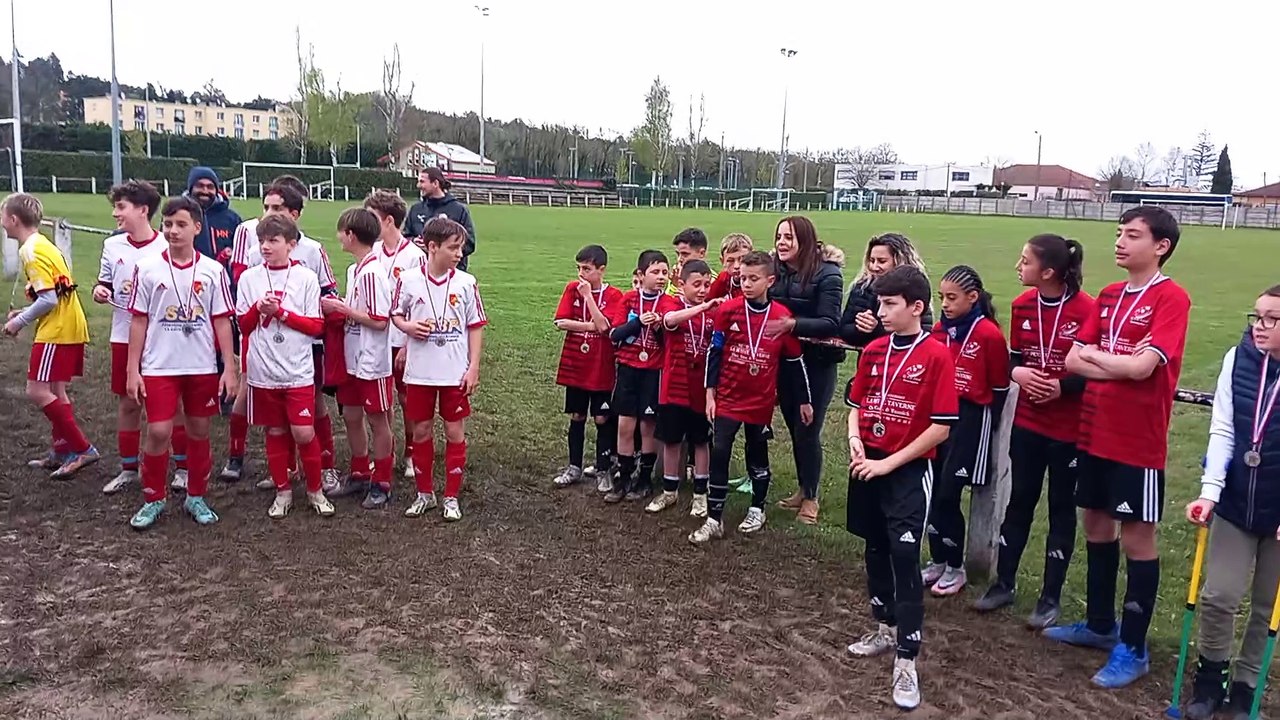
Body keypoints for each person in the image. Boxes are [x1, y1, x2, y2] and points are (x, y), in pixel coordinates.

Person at [1046, 206, 1192, 689]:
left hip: (1137, 440)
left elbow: (1143, 370)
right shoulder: (1107, 295)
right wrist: (1115, 361)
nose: (1120, 242)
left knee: (1136, 537)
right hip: (1093, 431)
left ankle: (1133, 647)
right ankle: (1100, 625)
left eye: (1132, 235)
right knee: (1095, 523)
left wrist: (1103, 360)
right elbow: (1072, 359)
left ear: (1161, 246)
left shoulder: (1172, 298)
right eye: (1118, 233)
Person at [843, 265, 958, 711]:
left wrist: (887, 462)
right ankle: (884, 627)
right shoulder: (872, 350)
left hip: (906, 471)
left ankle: (907, 659)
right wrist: (855, 439)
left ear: (917, 307)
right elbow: (856, 405)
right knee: (874, 548)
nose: (881, 311)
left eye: (890, 304)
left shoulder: (936, 355)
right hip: (867, 463)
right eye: (879, 302)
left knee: (905, 556)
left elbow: (942, 427)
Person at [975, 234, 1093, 627]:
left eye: (1024, 261)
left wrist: (1062, 386)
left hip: (1069, 426)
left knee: (1061, 507)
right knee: (1020, 499)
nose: (1017, 267)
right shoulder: (1022, 304)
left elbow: (1092, 369)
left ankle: (1050, 597)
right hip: (1028, 421)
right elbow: (1015, 358)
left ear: (1048, 271)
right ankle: (1003, 583)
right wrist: (1019, 373)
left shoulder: (1087, 309)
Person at [1181, 286, 1280, 720]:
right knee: (1219, 594)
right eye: (1257, 316)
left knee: (1266, 607)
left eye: (1272, 319)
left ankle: (1246, 684)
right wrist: (1209, 490)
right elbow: (1223, 428)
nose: (1260, 327)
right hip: (1238, 499)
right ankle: (1210, 679)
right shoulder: (1236, 359)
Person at [123, 196, 239, 529]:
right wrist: (133, 370)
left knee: (199, 430)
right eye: (168, 224)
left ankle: (196, 495)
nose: (173, 231)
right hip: (159, 366)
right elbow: (139, 321)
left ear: (197, 228)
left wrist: (229, 368)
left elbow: (221, 321)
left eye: (181, 225)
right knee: (159, 430)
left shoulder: (213, 270)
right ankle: (153, 497)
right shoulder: (147, 269)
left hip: (201, 366)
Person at [222, 182, 340, 492]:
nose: (269, 214)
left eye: (277, 208)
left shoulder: (312, 250)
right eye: (266, 208)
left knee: (312, 406)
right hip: (263, 344)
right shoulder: (253, 251)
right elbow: (244, 298)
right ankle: (285, 471)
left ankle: (325, 467)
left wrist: (298, 311)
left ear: (294, 215)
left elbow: (328, 292)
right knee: (265, 407)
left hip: (305, 345)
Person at [690, 251, 812, 544]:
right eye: (742, 278)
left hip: (760, 400)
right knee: (719, 451)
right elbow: (714, 352)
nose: (745, 283)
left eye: (753, 279)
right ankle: (714, 518)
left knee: (757, 452)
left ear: (770, 280)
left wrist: (805, 400)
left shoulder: (783, 317)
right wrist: (710, 394)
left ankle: (757, 508)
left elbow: (796, 362)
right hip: (728, 397)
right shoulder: (728, 311)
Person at [235, 213, 333, 519]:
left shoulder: (305, 278)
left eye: (273, 241)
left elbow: (317, 326)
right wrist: (257, 309)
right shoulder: (249, 278)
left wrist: (282, 314)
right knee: (275, 430)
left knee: (303, 432)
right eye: (262, 241)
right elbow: (243, 325)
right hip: (264, 371)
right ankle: (283, 491)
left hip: (298, 371)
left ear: (291, 245)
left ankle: (315, 490)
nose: (265, 246)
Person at [921, 265, 1010, 597]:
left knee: (948, 493)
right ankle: (939, 559)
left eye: (952, 297)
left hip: (970, 421)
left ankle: (956, 566)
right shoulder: (941, 331)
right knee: (932, 493)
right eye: (942, 296)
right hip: (938, 417)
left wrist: (990, 425)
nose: (944, 303)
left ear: (973, 298)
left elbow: (999, 386)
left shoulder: (988, 334)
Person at [392, 217, 487, 521]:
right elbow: (396, 315)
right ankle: (424, 493)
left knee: (454, 430)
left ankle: (451, 497)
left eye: (460, 248)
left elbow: (475, 326)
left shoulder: (466, 283)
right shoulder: (407, 280)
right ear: (432, 247)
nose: (460, 254)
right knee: (420, 430)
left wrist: (473, 367)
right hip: (420, 372)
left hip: (453, 372)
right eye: (454, 248)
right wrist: (408, 327)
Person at [2, 193, 97, 477]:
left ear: (14, 219)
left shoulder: (30, 251)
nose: (2, 223)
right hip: (67, 324)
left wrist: (19, 321)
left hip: (57, 329)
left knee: (36, 390)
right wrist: (25, 309)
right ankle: (62, 450)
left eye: (2, 216)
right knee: (56, 390)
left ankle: (82, 449)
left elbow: (49, 300)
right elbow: (55, 292)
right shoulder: (43, 244)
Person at [768, 216, 843, 525]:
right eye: (779, 236)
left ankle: (811, 498)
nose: (782, 243)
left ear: (806, 240)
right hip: (786, 363)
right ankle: (802, 488)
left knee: (808, 430)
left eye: (789, 237)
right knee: (794, 428)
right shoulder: (776, 270)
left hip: (817, 364)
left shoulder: (829, 274)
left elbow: (831, 322)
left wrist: (792, 325)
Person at [321, 208, 397, 513]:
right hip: (352, 358)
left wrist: (341, 309)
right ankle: (359, 471)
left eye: (341, 232)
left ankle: (382, 482)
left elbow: (380, 320)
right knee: (351, 415)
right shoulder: (356, 270)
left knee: (379, 420)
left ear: (350, 235)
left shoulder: (373, 273)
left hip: (372, 361)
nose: (339, 237)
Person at [95, 180, 167, 495]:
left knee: (167, 405)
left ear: (143, 210)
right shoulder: (113, 246)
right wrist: (102, 291)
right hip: (124, 335)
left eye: (121, 207)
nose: (115, 214)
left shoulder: (167, 244)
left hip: (163, 337)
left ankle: (177, 468)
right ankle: (128, 469)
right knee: (128, 402)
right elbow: (105, 284)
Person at [363, 190, 427, 486]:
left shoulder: (415, 255)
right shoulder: (371, 252)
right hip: (376, 338)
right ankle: (383, 453)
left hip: (402, 339)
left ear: (389, 221)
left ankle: (411, 453)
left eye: (372, 218)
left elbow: (422, 301)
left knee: (405, 398)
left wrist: (408, 342)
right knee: (381, 399)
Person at [647, 259, 720, 516]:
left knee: (701, 441)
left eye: (707, 285)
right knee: (671, 441)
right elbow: (669, 320)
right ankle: (669, 491)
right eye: (696, 285)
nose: (702, 290)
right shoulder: (673, 303)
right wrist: (702, 308)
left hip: (700, 389)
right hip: (673, 386)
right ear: (681, 284)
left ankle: (701, 494)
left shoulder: (713, 313)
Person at [551, 244, 623, 490]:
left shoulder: (614, 296)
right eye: (579, 268)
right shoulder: (571, 289)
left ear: (601, 270)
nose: (581, 274)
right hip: (576, 364)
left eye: (587, 269)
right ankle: (574, 467)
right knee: (577, 416)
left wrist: (589, 298)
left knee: (602, 417)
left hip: (601, 367)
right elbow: (561, 322)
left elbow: (606, 327)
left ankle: (603, 469)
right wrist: (590, 327)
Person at [604, 249, 669, 503]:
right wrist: (639, 323)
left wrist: (658, 328)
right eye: (655, 272)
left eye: (664, 272)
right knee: (625, 425)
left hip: (653, 372)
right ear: (641, 275)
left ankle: (644, 479)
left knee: (648, 425)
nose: (661, 277)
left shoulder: (669, 304)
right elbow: (615, 334)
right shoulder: (629, 299)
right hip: (629, 370)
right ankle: (623, 477)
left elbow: (670, 343)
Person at [839, 232, 931, 348]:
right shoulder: (862, 288)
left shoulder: (916, 289)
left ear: (899, 261)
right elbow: (844, 331)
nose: (874, 267)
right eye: (872, 260)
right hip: (871, 361)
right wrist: (861, 327)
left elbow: (924, 333)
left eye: (882, 261)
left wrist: (877, 328)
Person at [403, 167, 476, 270]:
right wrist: (415, 242)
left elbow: (469, 243)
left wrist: (438, 250)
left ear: (435, 183)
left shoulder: (459, 210)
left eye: (422, 182)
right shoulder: (416, 209)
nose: (418, 186)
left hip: (452, 275)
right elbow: (405, 238)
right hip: (421, 274)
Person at [184, 166, 242, 266]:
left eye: (210, 187)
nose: (205, 191)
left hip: (223, 279)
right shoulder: (177, 215)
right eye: (200, 186)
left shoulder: (232, 219)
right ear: (191, 188)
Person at [706, 233, 752, 301]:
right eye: (730, 261)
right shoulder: (724, 279)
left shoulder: (760, 280)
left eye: (742, 260)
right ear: (722, 261)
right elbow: (707, 301)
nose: (737, 266)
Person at [667, 227, 710, 295]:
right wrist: (674, 286)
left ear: (702, 253)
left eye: (685, 254)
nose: (679, 259)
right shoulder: (677, 276)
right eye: (678, 254)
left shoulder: (710, 280)